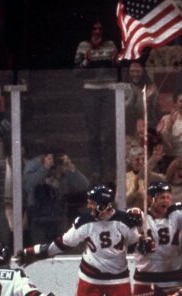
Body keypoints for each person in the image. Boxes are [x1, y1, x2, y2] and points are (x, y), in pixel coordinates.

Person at [74, 21, 118, 181]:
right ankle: (96, 169)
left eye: (100, 28)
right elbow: (76, 72)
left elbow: (118, 68)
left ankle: (109, 168)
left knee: (108, 133)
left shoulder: (110, 45)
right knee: (93, 135)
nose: (98, 31)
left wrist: (115, 61)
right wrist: (86, 61)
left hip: (107, 90)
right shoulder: (83, 46)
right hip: (90, 91)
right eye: (95, 28)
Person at [23, 149, 90, 243]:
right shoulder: (35, 165)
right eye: (52, 158)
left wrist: (71, 168)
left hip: (59, 218)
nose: (54, 163)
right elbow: (28, 186)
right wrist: (44, 168)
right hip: (38, 218)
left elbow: (84, 186)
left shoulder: (63, 168)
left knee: (61, 249)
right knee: (40, 250)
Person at [125, 61, 161, 134]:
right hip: (129, 125)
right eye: (132, 71)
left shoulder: (151, 87)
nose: (135, 74)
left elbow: (156, 109)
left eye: (138, 71)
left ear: (143, 71)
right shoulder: (124, 86)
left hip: (148, 123)